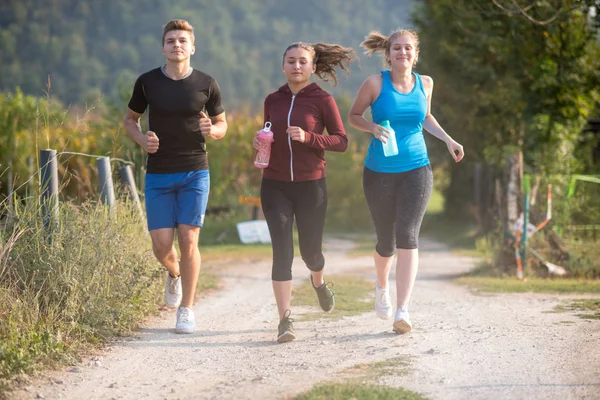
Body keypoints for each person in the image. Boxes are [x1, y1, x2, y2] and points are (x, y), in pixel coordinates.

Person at [348, 29, 464, 334]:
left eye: (408, 48)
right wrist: (371, 128)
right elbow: (354, 115)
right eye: (397, 48)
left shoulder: (426, 83)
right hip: (379, 171)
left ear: (416, 53)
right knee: (386, 241)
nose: (402, 53)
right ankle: (381, 286)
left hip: (417, 168)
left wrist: (448, 140)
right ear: (389, 54)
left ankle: (403, 310)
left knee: (407, 234)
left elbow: (425, 117)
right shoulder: (375, 83)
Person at [123, 19, 227, 334]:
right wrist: (141, 140)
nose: (177, 45)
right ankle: (174, 274)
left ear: (192, 47)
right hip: (159, 173)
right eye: (171, 40)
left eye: (183, 40)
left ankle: (187, 310)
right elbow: (130, 120)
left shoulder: (207, 83)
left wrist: (214, 130)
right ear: (164, 47)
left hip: (196, 170)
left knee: (189, 239)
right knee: (161, 245)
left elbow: (222, 125)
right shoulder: (147, 82)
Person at [256, 42, 357, 343]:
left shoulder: (323, 100)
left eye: (302, 62)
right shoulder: (272, 99)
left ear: (313, 67)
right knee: (282, 253)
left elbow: (341, 141)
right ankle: (284, 321)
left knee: (311, 253)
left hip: (312, 185)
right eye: (291, 61)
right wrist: (261, 143)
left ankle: (319, 281)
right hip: (274, 185)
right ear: (283, 66)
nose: (296, 66)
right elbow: (269, 132)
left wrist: (309, 137)